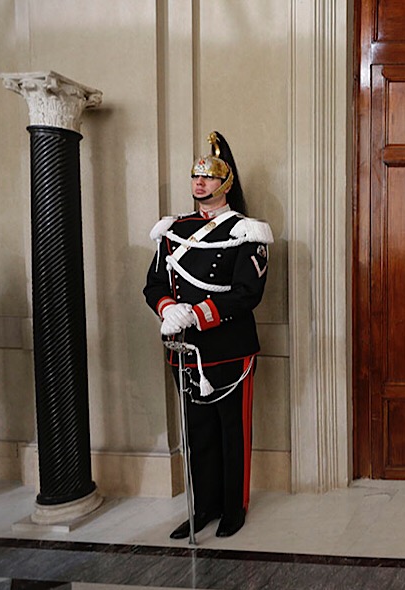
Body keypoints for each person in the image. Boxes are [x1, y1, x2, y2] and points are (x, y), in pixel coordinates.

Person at [143, 131, 273, 539]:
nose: (199, 183)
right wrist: (168, 308)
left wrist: (197, 314)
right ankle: (204, 508)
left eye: (208, 177)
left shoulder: (246, 231)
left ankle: (234, 508)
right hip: (183, 349)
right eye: (195, 176)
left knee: (232, 432)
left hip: (229, 348)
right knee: (197, 434)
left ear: (226, 183)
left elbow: (247, 294)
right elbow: (154, 284)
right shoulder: (173, 229)